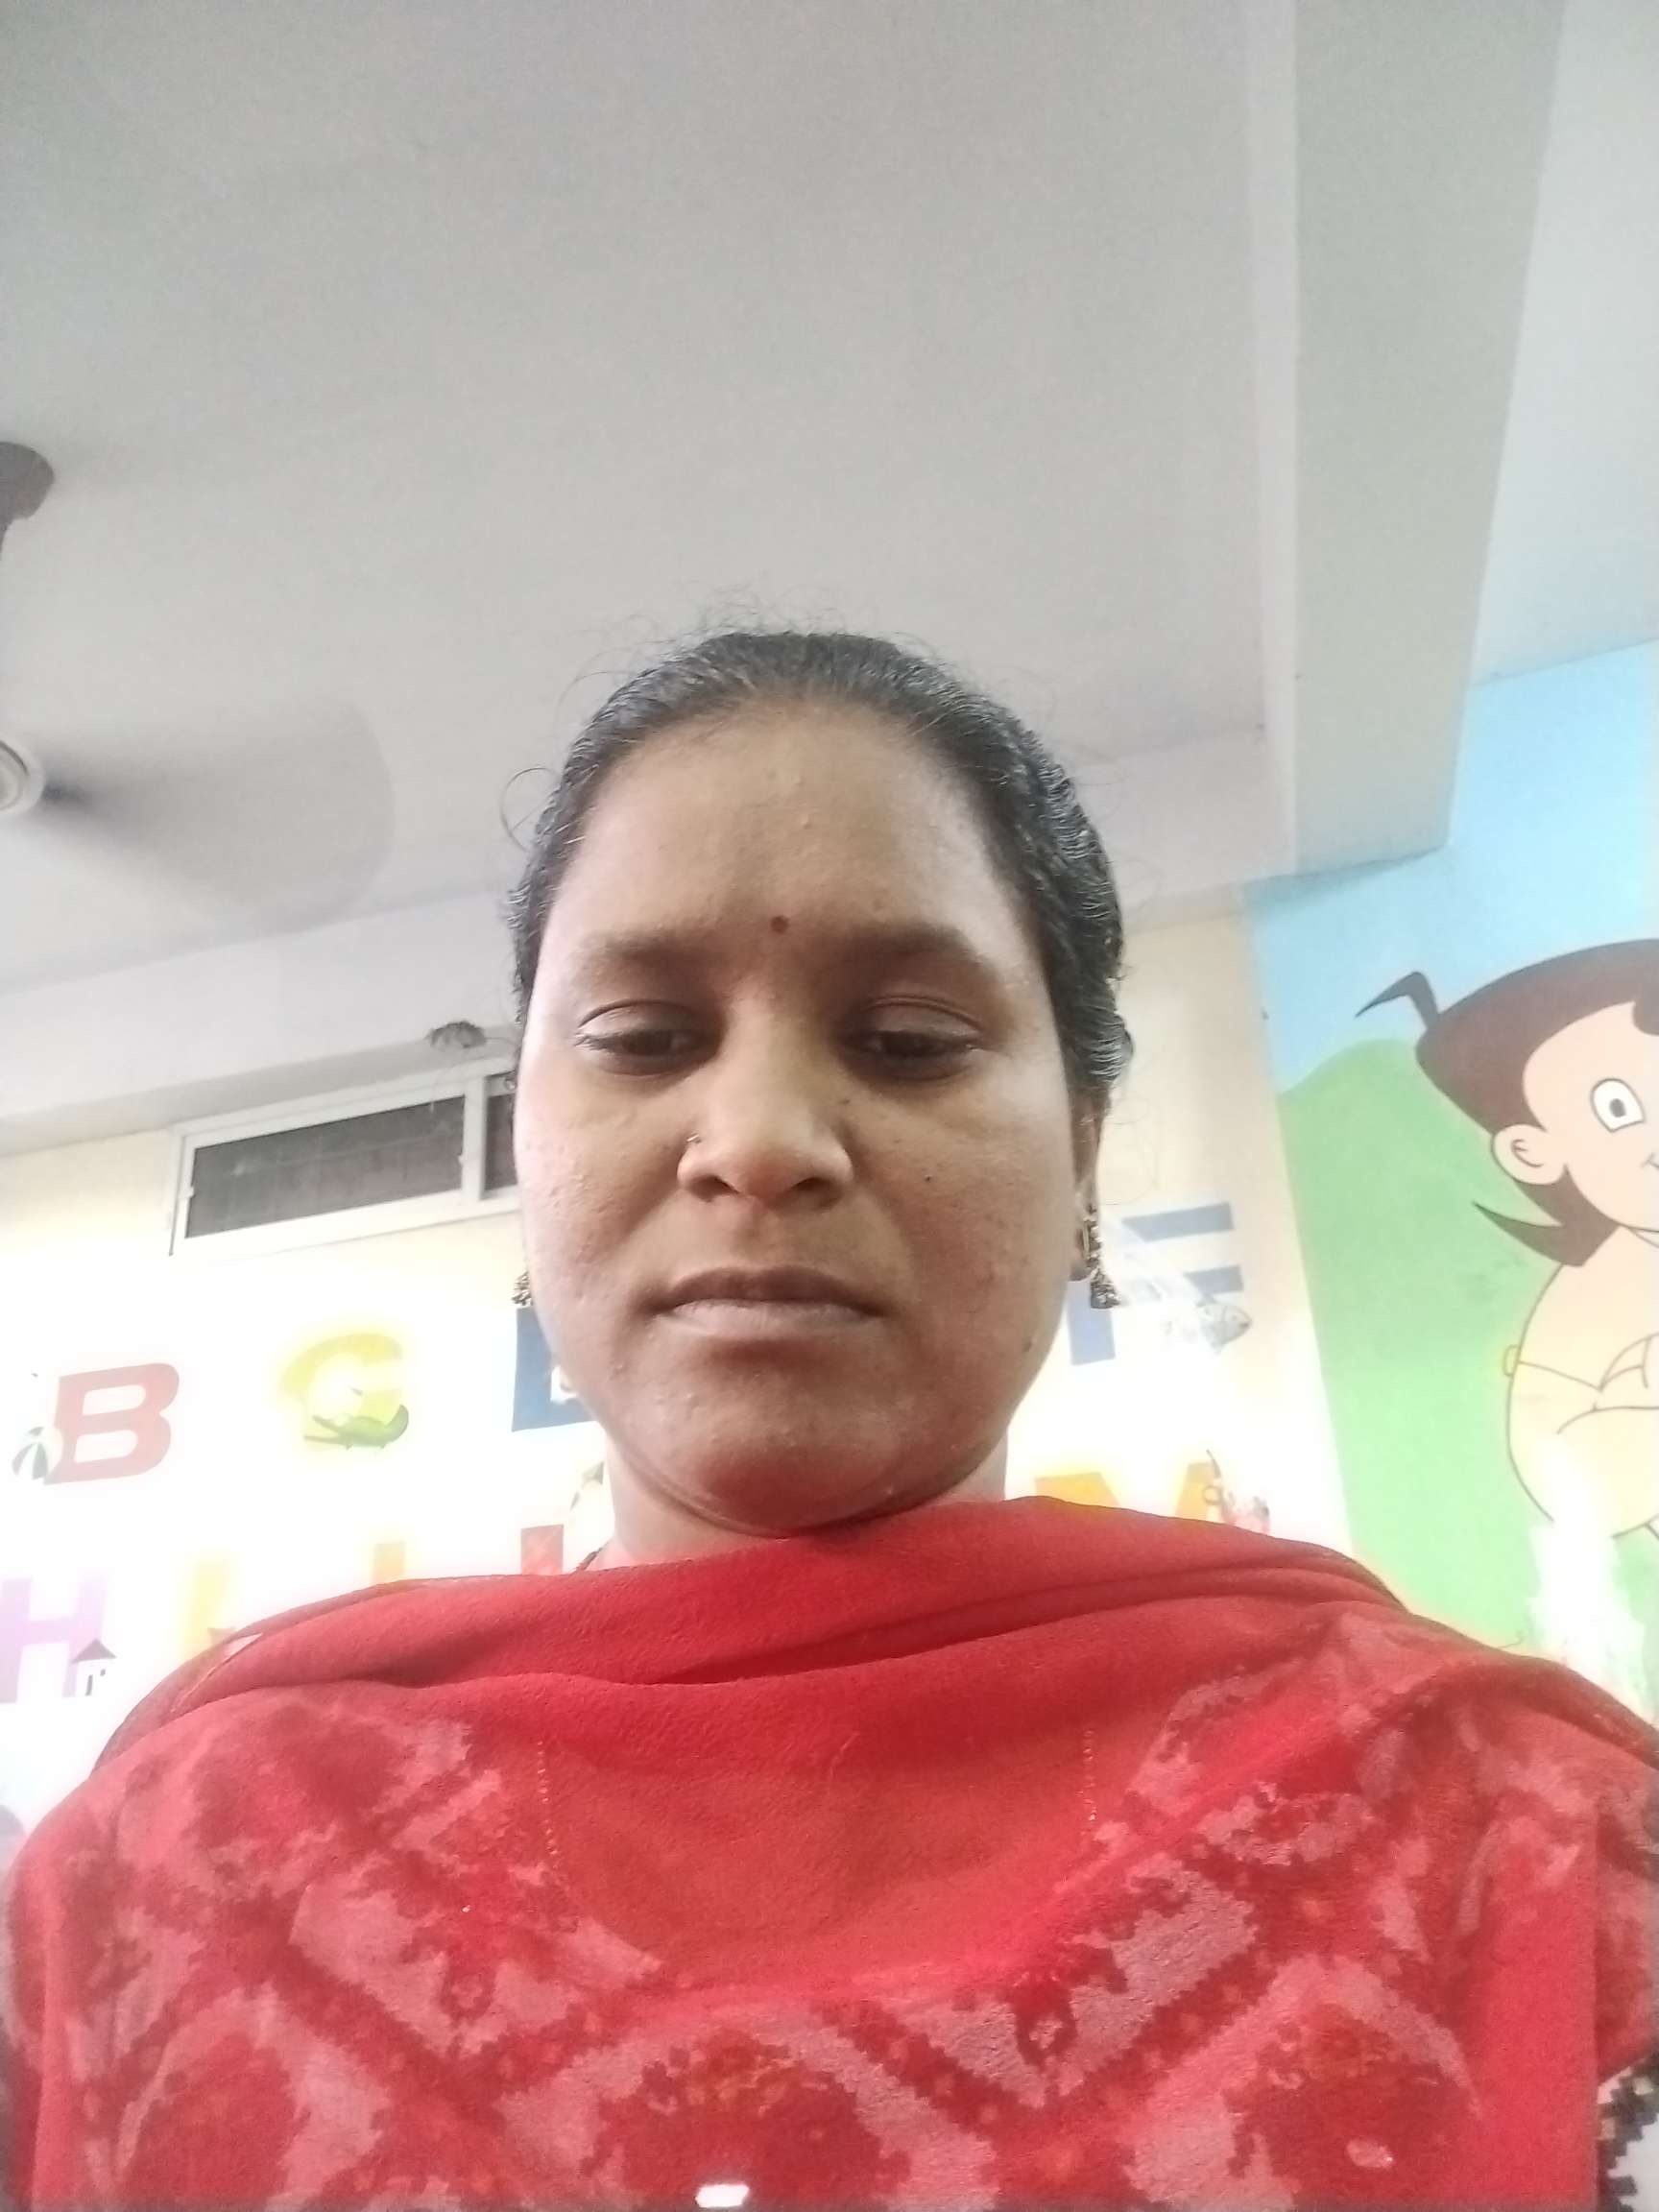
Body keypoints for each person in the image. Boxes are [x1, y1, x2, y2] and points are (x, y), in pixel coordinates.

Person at [3, 630, 1654, 2209]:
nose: (759, 1139)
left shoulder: (1522, 1844)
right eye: (644, 1040)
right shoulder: (162, 1877)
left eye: (910, 1042)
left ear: (1082, 1153)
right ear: (528, 1147)